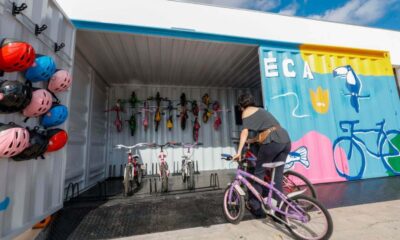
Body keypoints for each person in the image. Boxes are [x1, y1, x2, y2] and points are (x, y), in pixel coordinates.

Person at [233, 93, 291, 218]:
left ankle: (256, 207)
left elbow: (244, 132)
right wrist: (251, 141)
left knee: (258, 175)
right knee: (277, 179)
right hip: (285, 140)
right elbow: (267, 132)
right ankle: (280, 212)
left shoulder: (246, 111)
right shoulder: (261, 111)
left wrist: (238, 152)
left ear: (241, 105)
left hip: (273, 142)